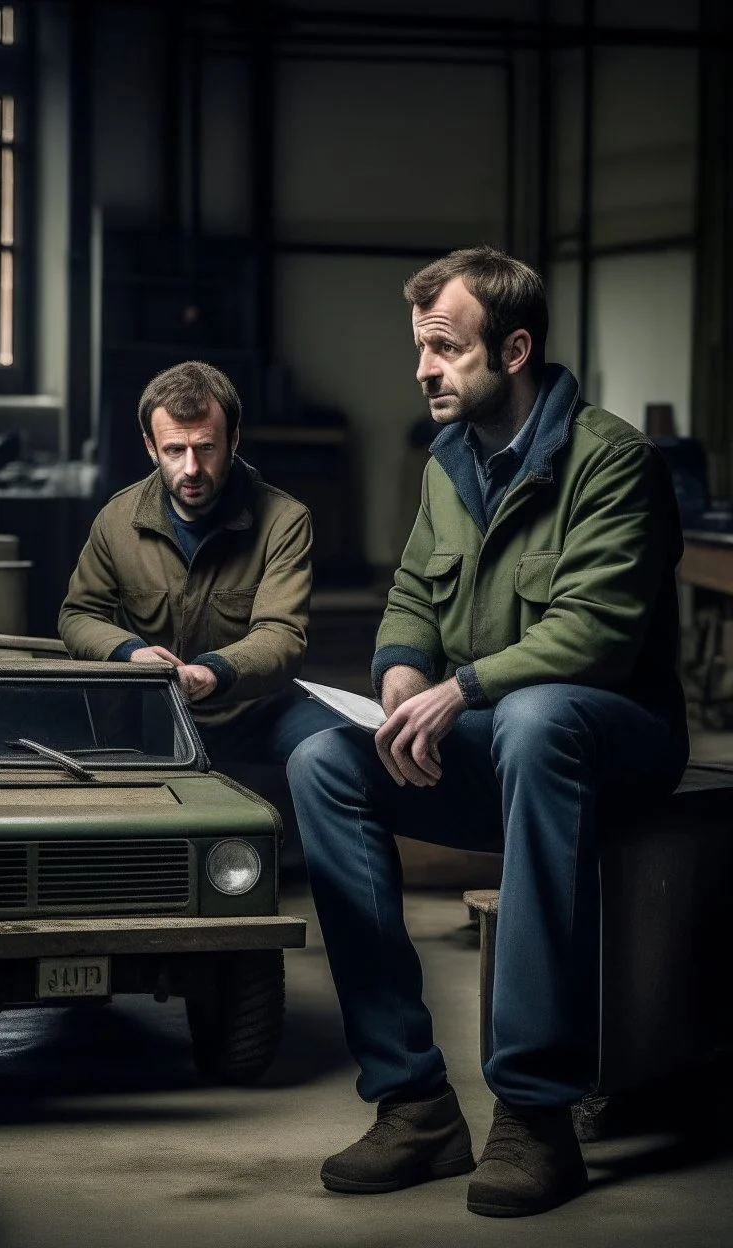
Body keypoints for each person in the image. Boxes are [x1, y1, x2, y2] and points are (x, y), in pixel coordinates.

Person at [286, 245, 689, 1217]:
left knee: (538, 719)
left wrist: (459, 691)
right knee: (319, 762)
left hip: (608, 740)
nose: (421, 369)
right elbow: (411, 602)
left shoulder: (613, 462)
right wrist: (398, 683)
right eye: (418, 348)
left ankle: (535, 1115)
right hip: (497, 746)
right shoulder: (448, 464)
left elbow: (594, 635)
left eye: (443, 349)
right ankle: (414, 1104)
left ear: (513, 350)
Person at [59, 360, 340, 765]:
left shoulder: (285, 520)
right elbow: (78, 614)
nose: (192, 469)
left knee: (335, 751)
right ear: (151, 448)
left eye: (206, 447)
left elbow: (282, 635)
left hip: (254, 714)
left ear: (233, 440)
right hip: (152, 715)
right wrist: (133, 654)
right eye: (175, 450)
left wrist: (213, 671)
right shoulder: (116, 519)